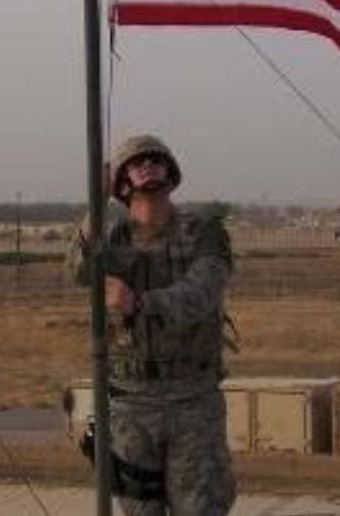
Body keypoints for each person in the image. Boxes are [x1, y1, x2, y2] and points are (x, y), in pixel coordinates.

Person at [67, 134, 236, 516]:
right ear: (121, 183)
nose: (147, 165)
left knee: (201, 506)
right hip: (132, 398)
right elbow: (76, 269)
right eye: (136, 162)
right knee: (139, 509)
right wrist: (96, 202)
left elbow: (203, 290)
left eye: (155, 159)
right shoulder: (113, 236)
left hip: (192, 397)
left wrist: (141, 303)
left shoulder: (203, 229)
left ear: (171, 172)